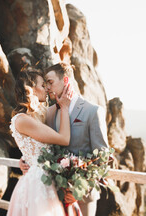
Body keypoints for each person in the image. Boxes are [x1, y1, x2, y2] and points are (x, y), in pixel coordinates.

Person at [20, 62, 109, 216]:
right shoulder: (50, 112)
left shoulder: (93, 111)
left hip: (82, 198)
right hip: (54, 193)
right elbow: (44, 145)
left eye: (50, 82)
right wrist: (26, 159)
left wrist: (80, 190)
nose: (47, 87)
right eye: (45, 83)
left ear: (66, 81)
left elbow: (103, 157)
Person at [7, 68, 74, 216]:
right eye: (43, 85)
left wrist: (25, 158)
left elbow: (34, 147)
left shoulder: (35, 117)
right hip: (38, 185)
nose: (46, 88)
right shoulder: (23, 119)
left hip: (46, 180)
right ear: (32, 89)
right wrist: (64, 108)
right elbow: (64, 139)